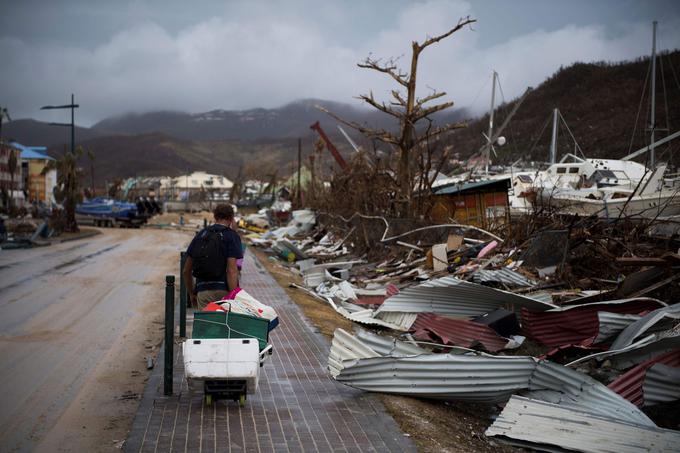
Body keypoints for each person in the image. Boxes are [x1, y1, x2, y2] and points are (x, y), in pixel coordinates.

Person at [183, 204, 242, 310]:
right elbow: (231, 270)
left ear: (215, 217)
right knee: (224, 325)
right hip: (224, 291)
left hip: (203, 291)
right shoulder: (231, 236)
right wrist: (234, 297)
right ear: (231, 218)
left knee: (207, 325)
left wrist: (191, 293)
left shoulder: (201, 235)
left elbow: (186, 270)